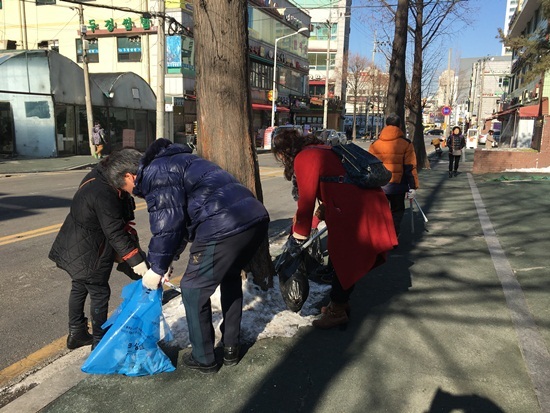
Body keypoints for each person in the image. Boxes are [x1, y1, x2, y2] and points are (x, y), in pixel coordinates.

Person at [117, 139, 270, 373]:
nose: (131, 194)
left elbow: (168, 224)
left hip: (222, 226)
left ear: (129, 176)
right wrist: (168, 261)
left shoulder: (157, 172)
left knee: (192, 288)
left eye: (125, 189)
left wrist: (157, 268)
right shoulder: (175, 161)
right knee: (230, 277)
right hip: (253, 219)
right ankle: (231, 347)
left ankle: (204, 358)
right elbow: (177, 226)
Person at [271, 130, 397, 330]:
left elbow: (306, 201)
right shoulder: (323, 150)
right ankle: (339, 303)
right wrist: (313, 222)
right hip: (367, 205)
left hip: (354, 211)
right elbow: (334, 187)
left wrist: (298, 237)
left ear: (283, 153)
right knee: (346, 259)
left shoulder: (305, 157)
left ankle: (337, 311)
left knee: (344, 260)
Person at [49, 149, 149, 350]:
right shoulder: (103, 194)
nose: (141, 188)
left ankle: (76, 333)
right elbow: (115, 233)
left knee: (79, 285)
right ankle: (100, 342)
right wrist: (138, 263)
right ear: (128, 175)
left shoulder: (104, 175)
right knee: (99, 292)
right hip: (90, 249)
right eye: (139, 181)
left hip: (75, 241)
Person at [368, 114, 419, 238]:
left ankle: (381, 236)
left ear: (385, 125)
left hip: (380, 185)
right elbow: (410, 167)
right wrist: (413, 186)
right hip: (398, 184)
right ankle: (394, 235)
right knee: (397, 211)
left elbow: (369, 165)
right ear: (400, 125)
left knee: (380, 211)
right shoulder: (406, 144)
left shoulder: (375, 144)